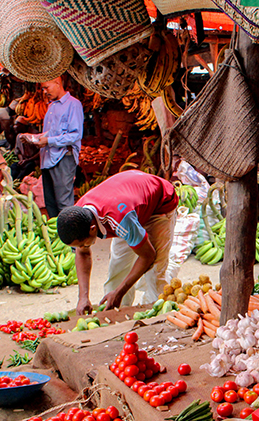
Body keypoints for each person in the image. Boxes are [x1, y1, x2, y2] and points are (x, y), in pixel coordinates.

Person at [56, 170, 178, 314]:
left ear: (93, 229)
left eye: (83, 244)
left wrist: (119, 292)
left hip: (159, 204)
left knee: (154, 272)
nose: (82, 248)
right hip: (130, 203)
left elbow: (148, 256)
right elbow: (83, 254)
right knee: (118, 266)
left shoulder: (120, 219)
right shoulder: (78, 215)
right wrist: (83, 298)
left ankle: (156, 313)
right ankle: (117, 312)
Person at [26, 76, 83, 218]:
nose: (45, 91)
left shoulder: (73, 104)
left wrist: (48, 141)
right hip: (47, 158)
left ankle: (69, 236)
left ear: (57, 83)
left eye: (47, 87)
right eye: (43, 88)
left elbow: (75, 135)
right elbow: (51, 133)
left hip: (63, 158)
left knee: (64, 202)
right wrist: (36, 138)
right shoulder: (52, 106)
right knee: (50, 202)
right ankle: (55, 235)